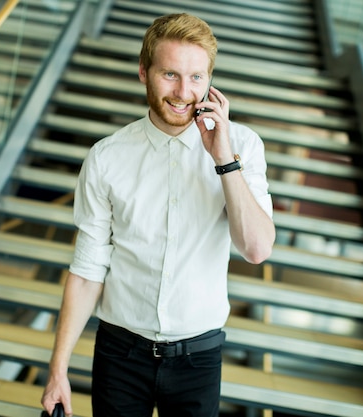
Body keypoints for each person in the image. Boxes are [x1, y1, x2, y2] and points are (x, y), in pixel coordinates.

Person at [41, 13, 275, 417]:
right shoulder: (106, 157)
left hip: (198, 357)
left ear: (210, 81)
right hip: (120, 353)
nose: (184, 92)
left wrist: (224, 160)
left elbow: (255, 249)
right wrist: (57, 368)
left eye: (197, 77)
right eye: (170, 74)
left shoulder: (243, 146)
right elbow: (87, 268)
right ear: (144, 73)